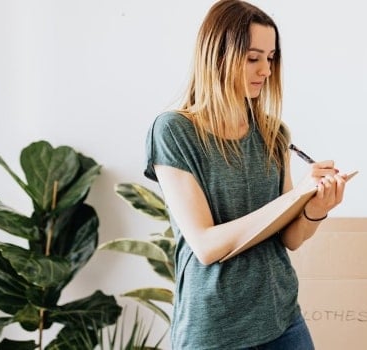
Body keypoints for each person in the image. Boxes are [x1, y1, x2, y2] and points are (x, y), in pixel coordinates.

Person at [143, 1, 348, 348]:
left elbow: (289, 239)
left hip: (282, 320)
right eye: (253, 58)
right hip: (214, 329)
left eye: (271, 58)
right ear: (217, 56)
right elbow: (206, 246)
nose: (266, 70)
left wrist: (316, 207)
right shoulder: (174, 131)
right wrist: (295, 196)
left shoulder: (273, 133)